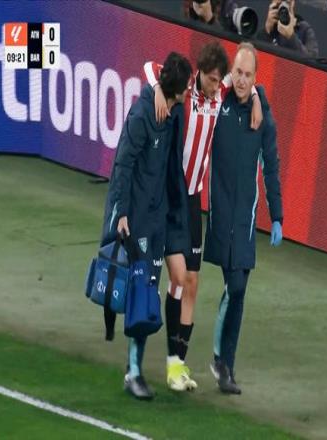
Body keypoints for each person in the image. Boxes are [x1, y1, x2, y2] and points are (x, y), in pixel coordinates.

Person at [143, 41, 263, 392]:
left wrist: (256, 98)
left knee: (192, 282)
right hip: (171, 197)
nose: (216, 86)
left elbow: (247, 83)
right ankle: (168, 361)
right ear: (200, 75)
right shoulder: (187, 92)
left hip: (194, 200)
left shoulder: (221, 92)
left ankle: (179, 364)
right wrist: (157, 90)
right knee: (177, 277)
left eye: (217, 80)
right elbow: (150, 67)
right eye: (211, 80)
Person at [100, 52, 192, 401]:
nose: (188, 92)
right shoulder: (142, 116)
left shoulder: (172, 113)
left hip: (158, 217)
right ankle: (133, 371)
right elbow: (123, 164)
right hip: (137, 216)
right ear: (175, 89)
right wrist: (122, 211)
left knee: (147, 291)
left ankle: (133, 367)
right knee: (138, 291)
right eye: (184, 88)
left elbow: (155, 68)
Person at [205, 42, 283, 395]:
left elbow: (272, 168)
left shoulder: (263, 118)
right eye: (237, 72)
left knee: (239, 291)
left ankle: (226, 366)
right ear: (230, 71)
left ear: (255, 77)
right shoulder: (218, 101)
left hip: (246, 220)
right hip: (220, 214)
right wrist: (255, 96)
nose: (241, 79)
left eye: (248, 75)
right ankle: (219, 359)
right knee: (234, 286)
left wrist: (277, 216)